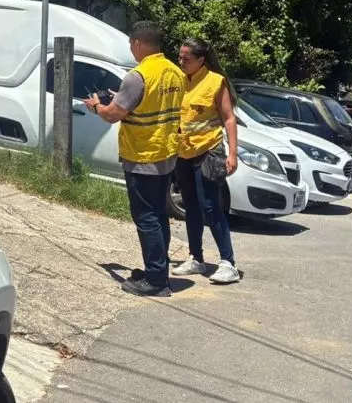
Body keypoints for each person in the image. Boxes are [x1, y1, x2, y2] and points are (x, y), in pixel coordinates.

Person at [83, 21, 185, 297]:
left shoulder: (137, 76)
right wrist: (123, 100)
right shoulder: (174, 72)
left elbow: (112, 115)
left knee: (147, 218)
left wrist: (96, 106)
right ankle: (157, 270)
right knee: (159, 215)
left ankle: (155, 281)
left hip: (143, 155)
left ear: (138, 44)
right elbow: (150, 103)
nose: (131, 49)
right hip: (166, 153)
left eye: (131, 45)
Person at [171, 38, 241, 284]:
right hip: (183, 153)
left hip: (208, 151)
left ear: (201, 60)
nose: (181, 62)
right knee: (191, 208)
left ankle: (228, 262)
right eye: (180, 57)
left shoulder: (215, 82)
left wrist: (232, 154)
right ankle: (196, 258)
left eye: (186, 59)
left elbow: (229, 119)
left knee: (210, 207)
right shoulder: (178, 80)